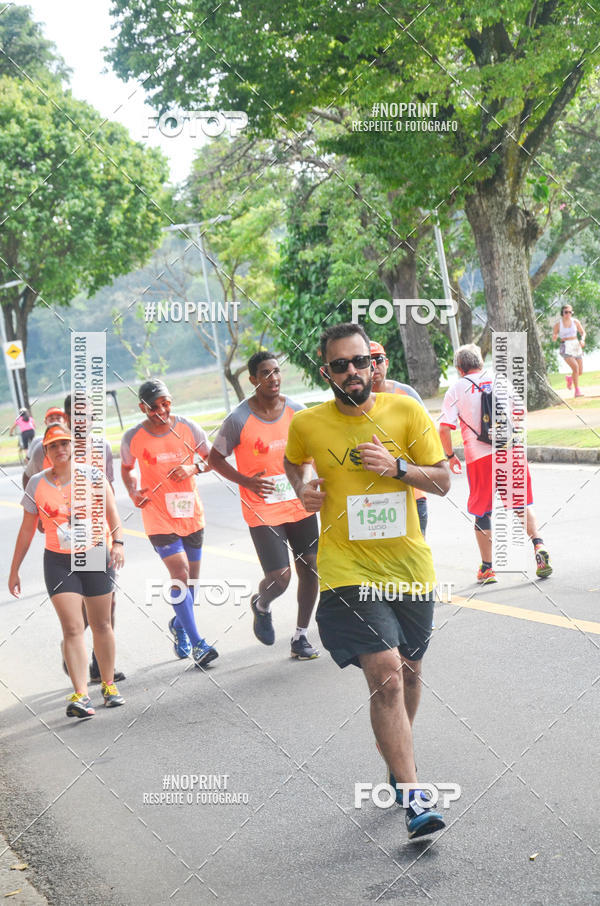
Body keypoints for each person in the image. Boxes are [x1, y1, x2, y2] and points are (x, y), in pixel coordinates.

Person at [284, 322, 451, 840]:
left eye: (360, 361)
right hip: (345, 571)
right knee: (386, 674)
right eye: (340, 365)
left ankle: (395, 765)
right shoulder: (308, 424)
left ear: (373, 364)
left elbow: (443, 480)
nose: (352, 372)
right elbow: (292, 465)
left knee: (410, 673)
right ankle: (415, 795)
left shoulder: (405, 410)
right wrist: (305, 491)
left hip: (408, 569)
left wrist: (399, 467)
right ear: (326, 370)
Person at [8, 425, 126, 718]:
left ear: (72, 446)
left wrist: (119, 544)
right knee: (72, 628)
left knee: (101, 625)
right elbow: (25, 531)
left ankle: (109, 685)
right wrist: (14, 570)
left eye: (64, 443)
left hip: (95, 555)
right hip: (59, 560)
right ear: (45, 453)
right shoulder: (36, 484)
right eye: (53, 446)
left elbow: (113, 515)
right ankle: (82, 695)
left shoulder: (94, 476)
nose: (60, 449)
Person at [208, 351, 320, 660]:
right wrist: (247, 481)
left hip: (298, 501)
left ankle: (300, 636)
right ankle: (261, 604)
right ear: (253, 379)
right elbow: (214, 458)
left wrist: (310, 481)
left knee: (311, 568)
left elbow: (311, 450)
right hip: (263, 507)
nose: (274, 378)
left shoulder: (296, 411)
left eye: (276, 371)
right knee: (280, 577)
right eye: (266, 373)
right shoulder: (239, 419)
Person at [121, 379, 218, 668]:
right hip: (158, 517)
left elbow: (213, 459)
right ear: (143, 407)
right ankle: (198, 643)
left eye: (166, 403)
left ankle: (178, 624)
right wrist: (133, 491)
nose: (161, 410)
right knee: (180, 572)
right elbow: (127, 469)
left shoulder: (188, 427)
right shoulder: (132, 437)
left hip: (191, 514)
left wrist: (193, 467)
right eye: (154, 406)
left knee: (192, 583)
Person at [438, 343, 552, 584]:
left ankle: (488, 568)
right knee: (520, 503)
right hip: (510, 451)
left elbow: (444, 428)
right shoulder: (501, 380)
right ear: (481, 362)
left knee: (483, 511)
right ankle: (538, 545)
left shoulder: (456, 389)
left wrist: (450, 456)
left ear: (460, 368)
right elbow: (520, 413)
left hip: (479, 457)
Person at [370, 341, 429, 536]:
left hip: (412, 491)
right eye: (367, 361)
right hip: (373, 496)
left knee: (417, 553)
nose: (374, 366)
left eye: (377, 359)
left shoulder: (407, 394)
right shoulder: (354, 402)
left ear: (386, 362)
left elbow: (428, 435)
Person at [22, 407, 68, 486]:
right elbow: (28, 472)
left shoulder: (74, 441)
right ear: (45, 422)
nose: (55, 421)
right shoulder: (38, 445)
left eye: (58, 418)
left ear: (65, 420)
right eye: (52, 446)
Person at [552, 303, 586, 397]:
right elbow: (554, 336)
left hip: (576, 345)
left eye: (570, 312)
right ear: (562, 313)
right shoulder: (558, 324)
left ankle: (570, 378)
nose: (568, 314)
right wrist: (555, 337)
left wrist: (582, 340)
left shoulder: (575, 322)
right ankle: (577, 391)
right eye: (566, 312)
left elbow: (583, 333)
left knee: (580, 371)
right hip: (565, 346)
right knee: (575, 368)